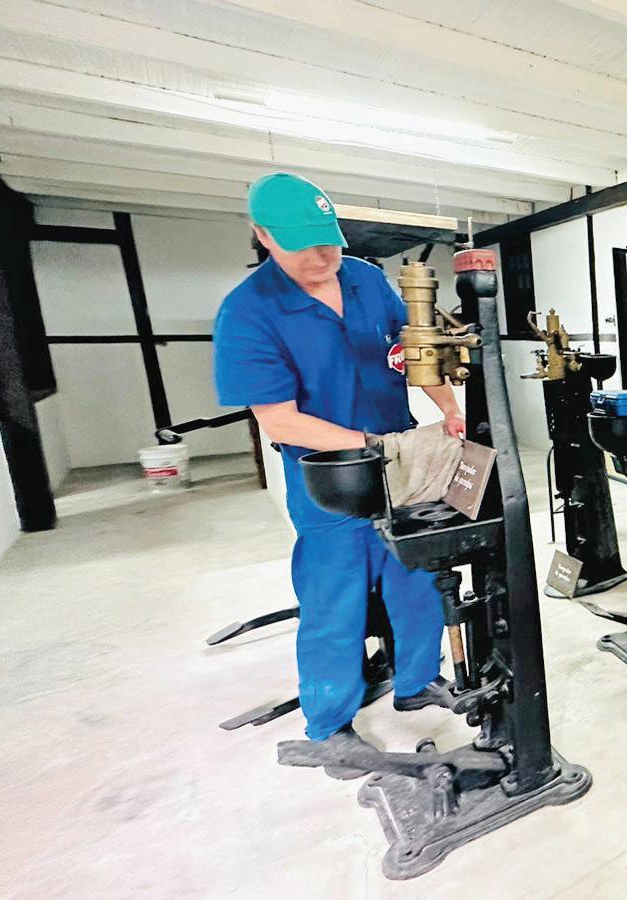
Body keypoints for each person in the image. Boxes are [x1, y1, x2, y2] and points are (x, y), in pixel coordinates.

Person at [213, 173, 459, 774]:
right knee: (334, 597)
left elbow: (415, 352)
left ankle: (415, 681)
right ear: (263, 236)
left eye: (329, 240)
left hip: (398, 464)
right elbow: (279, 419)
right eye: (303, 245)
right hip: (329, 479)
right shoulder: (248, 312)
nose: (322, 256)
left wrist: (450, 409)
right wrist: (377, 446)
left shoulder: (367, 280)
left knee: (416, 574)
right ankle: (328, 724)